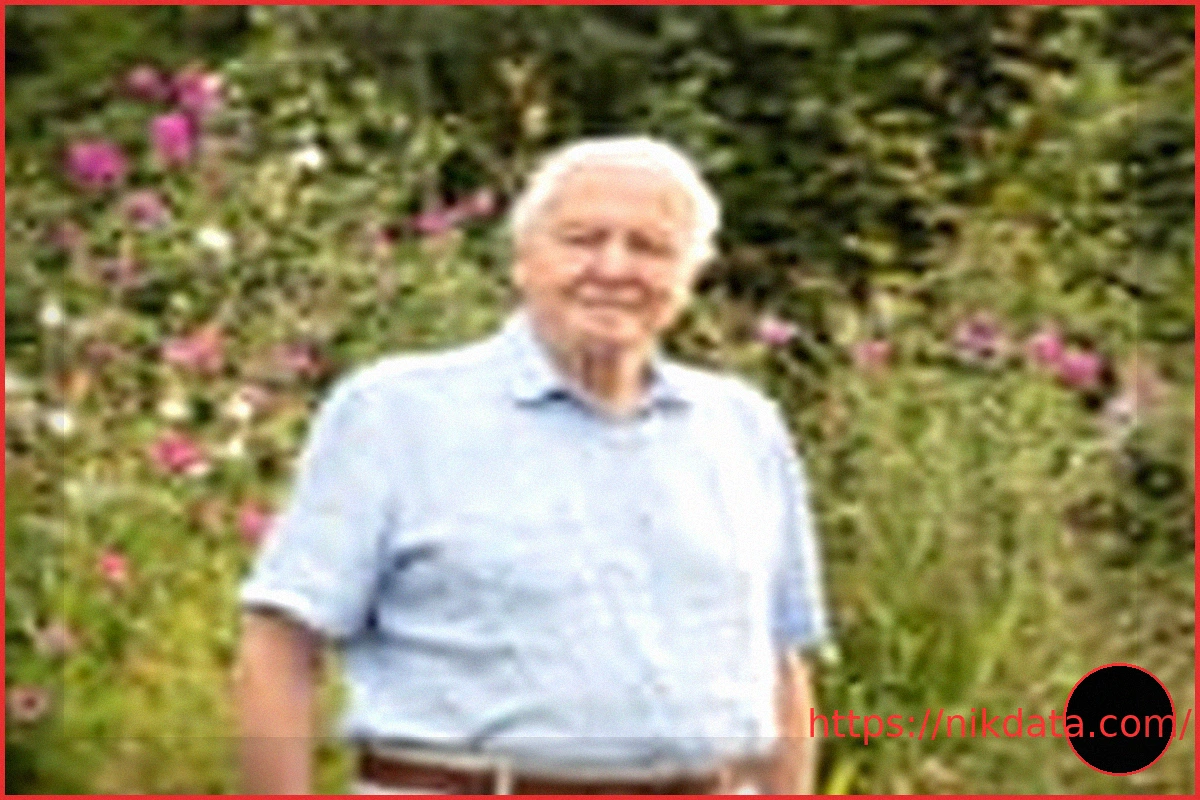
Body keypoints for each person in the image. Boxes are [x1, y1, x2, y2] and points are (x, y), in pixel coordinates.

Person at [234, 135, 831, 795]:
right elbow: (280, 645)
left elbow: (781, 664)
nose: (613, 267)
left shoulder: (742, 426)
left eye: (650, 247)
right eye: (582, 239)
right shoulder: (396, 412)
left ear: (691, 275)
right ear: (523, 259)